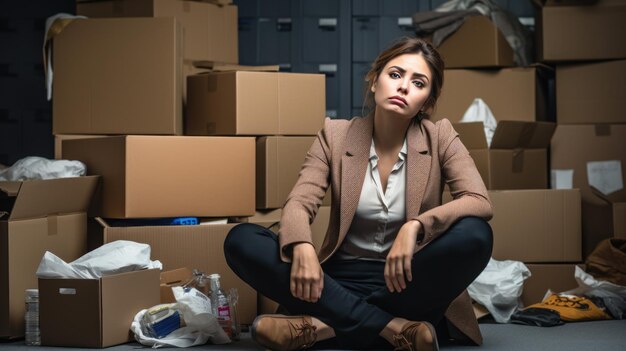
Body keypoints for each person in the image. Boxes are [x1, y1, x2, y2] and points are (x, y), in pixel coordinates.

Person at [224, 36, 493, 351]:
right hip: (336, 282)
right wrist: (302, 247)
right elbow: (299, 202)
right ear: (374, 80)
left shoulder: (440, 136)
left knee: (476, 235)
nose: (404, 86)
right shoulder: (336, 135)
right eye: (395, 74)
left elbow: (478, 201)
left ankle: (321, 326)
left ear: (428, 101)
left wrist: (416, 226)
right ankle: (394, 329)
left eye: (418, 83)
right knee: (242, 240)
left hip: (408, 280)